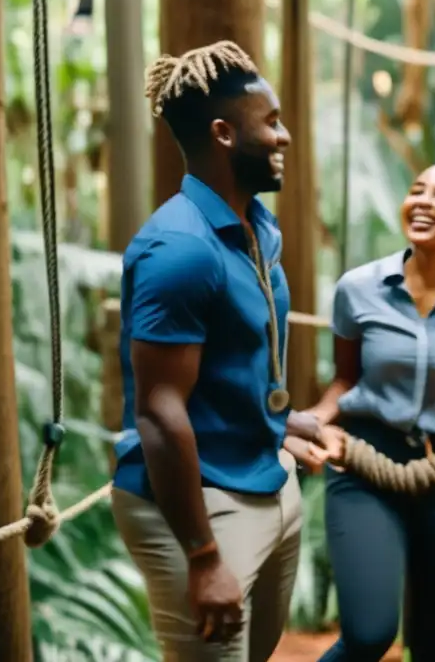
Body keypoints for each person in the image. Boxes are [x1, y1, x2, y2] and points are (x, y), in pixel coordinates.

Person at [283, 162, 435, 662]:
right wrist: (310, 422)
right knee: (370, 633)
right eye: (417, 190)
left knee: (432, 644)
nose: (423, 201)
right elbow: (345, 379)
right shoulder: (358, 289)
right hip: (365, 466)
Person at [110, 41, 301, 662]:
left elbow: (229, 358)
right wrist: (202, 556)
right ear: (223, 133)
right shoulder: (179, 248)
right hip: (201, 508)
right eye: (270, 122)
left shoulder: (256, 226)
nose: (285, 137)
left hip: (269, 480)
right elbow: (160, 410)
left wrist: (284, 419)